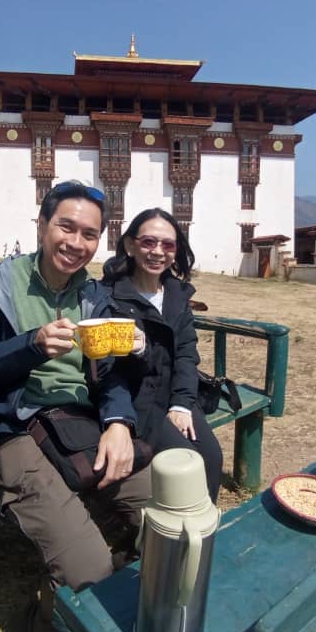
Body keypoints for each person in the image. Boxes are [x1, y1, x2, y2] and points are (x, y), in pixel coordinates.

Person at [0, 180, 149, 632]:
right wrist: (30, 346)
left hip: (81, 425)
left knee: (175, 517)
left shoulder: (95, 296)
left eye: (89, 234)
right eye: (66, 226)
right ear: (42, 225)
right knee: (87, 568)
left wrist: (120, 422)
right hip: (15, 431)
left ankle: (141, 602)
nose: (76, 242)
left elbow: (111, 377)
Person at [102, 208, 224, 502]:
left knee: (212, 457)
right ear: (130, 245)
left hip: (173, 394)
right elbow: (108, 368)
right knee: (187, 465)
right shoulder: (109, 296)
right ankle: (175, 534)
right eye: (148, 242)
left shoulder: (176, 295)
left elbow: (186, 354)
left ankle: (202, 529)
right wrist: (139, 351)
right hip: (137, 400)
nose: (158, 252)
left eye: (168, 245)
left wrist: (182, 404)